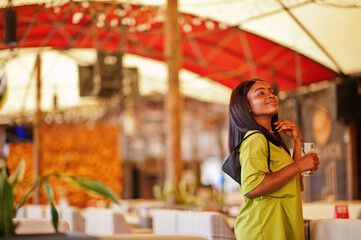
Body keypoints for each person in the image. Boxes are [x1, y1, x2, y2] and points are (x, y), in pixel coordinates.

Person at [229, 79, 320, 240]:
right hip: (264, 229)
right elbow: (251, 187)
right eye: (261, 93)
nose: (271, 95)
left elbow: (293, 184)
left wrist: (297, 143)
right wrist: (299, 166)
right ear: (247, 106)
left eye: (271, 91)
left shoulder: (270, 140)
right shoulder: (255, 138)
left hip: (278, 226)